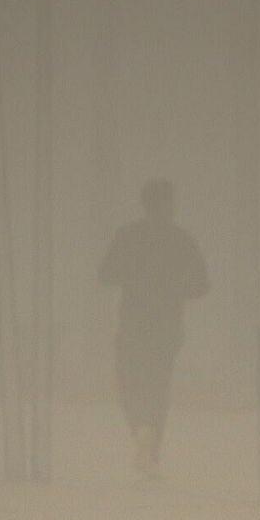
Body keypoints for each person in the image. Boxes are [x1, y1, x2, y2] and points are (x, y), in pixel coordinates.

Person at [98, 178, 208, 479]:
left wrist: (132, 276)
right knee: (158, 385)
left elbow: (105, 274)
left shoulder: (127, 236)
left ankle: (141, 431)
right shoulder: (181, 239)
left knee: (129, 383)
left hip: (133, 323)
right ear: (166, 204)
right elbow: (203, 283)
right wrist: (178, 292)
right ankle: (151, 442)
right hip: (167, 325)